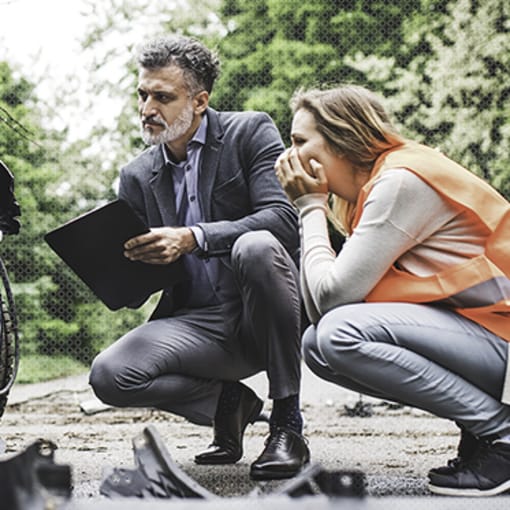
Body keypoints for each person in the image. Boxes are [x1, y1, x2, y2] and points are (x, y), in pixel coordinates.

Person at [89, 35, 310, 480]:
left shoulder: (249, 132)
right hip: (197, 323)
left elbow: (284, 220)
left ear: (200, 100)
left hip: (263, 310)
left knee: (257, 245)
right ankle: (229, 404)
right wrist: (114, 272)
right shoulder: (135, 175)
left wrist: (193, 237)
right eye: (143, 94)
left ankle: (287, 423)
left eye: (163, 97)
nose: (147, 108)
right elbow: (141, 286)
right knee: (108, 375)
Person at [275, 84, 510, 496]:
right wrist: (315, 206)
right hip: (491, 340)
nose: (288, 156)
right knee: (319, 345)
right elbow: (319, 310)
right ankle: (485, 429)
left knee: (339, 335)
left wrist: (310, 207)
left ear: (342, 142)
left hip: (503, 342)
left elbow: (332, 299)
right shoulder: (362, 194)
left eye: (298, 141)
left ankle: (502, 436)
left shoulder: (399, 182)